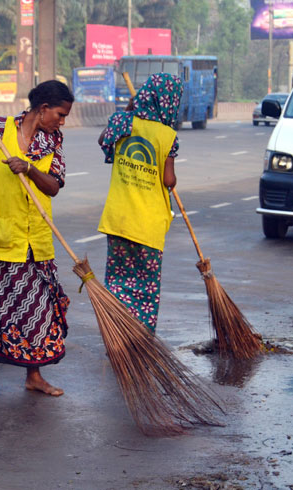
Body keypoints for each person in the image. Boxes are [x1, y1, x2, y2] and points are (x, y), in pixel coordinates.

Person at [0, 80, 74, 397]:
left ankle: (34, 376)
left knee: (37, 311)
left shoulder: (52, 140)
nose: (62, 121)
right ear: (43, 108)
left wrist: (29, 168)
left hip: (35, 242)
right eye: (60, 114)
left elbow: (53, 186)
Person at [96, 73, 182, 334]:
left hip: (119, 220)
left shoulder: (122, 122)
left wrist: (128, 110)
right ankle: (140, 335)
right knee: (145, 285)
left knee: (118, 281)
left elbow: (103, 140)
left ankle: (117, 333)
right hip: (149, 226)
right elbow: (168, 180)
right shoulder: (168, 136)